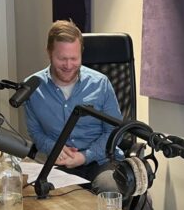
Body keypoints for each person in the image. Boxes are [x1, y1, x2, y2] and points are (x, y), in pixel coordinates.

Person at [24, 20, 122, 190]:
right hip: (58, 163)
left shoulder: (100, 84)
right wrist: (54, 149)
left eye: (74, 58)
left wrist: (85, 156)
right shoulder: (32, 87)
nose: (69, 66)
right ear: (49, 53)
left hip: (101, 161)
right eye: (62, 59)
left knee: (110, 189)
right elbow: (36, 132)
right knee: (41, 197)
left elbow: (115, 131)